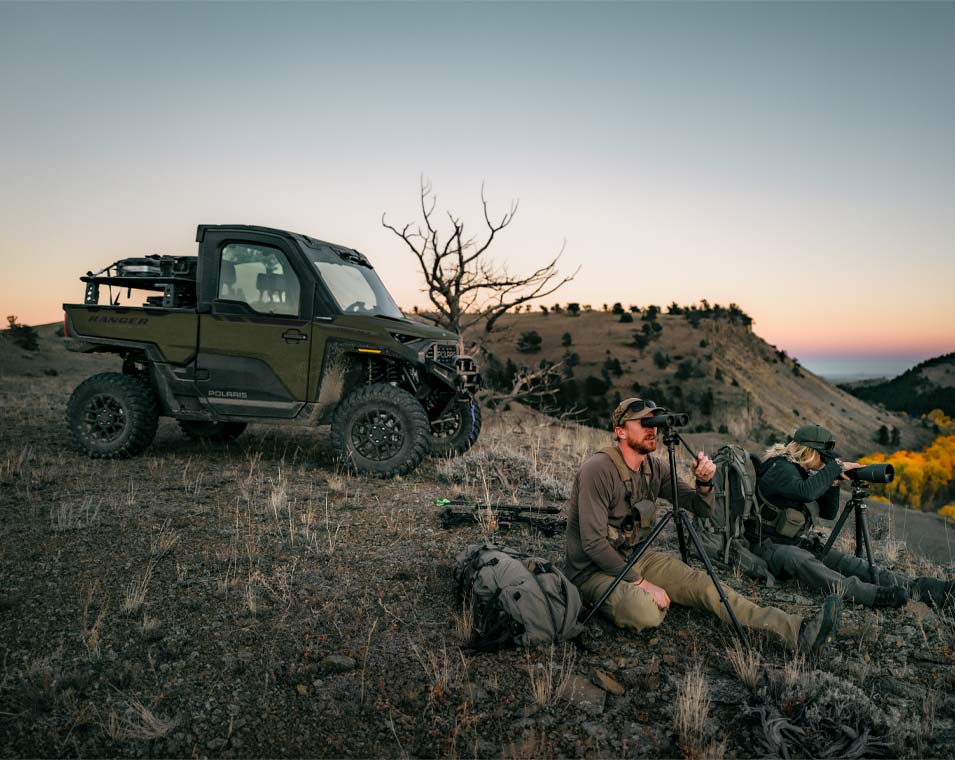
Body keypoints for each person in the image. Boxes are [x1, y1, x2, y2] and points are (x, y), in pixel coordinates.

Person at [565, 398, 842, 653]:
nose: (652, 429)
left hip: (636, 557)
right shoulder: (598, 469)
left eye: (654, 423)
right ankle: (594, 598)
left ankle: (796, 631)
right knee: (645, 612)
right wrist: (642, 583)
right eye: (644, 423)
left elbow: (701, 508)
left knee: (707, 586)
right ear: (620, 431)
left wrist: (704, 482)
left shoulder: (655, 468)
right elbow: (593, 543)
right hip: (592, 571)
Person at [747, 423, 954, 609]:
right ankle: (873, 595)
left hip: (794, 542)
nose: (825, 461)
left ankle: (934, 591)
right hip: (765, 545)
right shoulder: (779, 467)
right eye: (823, 456)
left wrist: (833, 483)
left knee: (850, 564)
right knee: (805, 562)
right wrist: (834, 468)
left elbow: (828, 513)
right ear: (809, 451)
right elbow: (806, 492)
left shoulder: (801, 471)